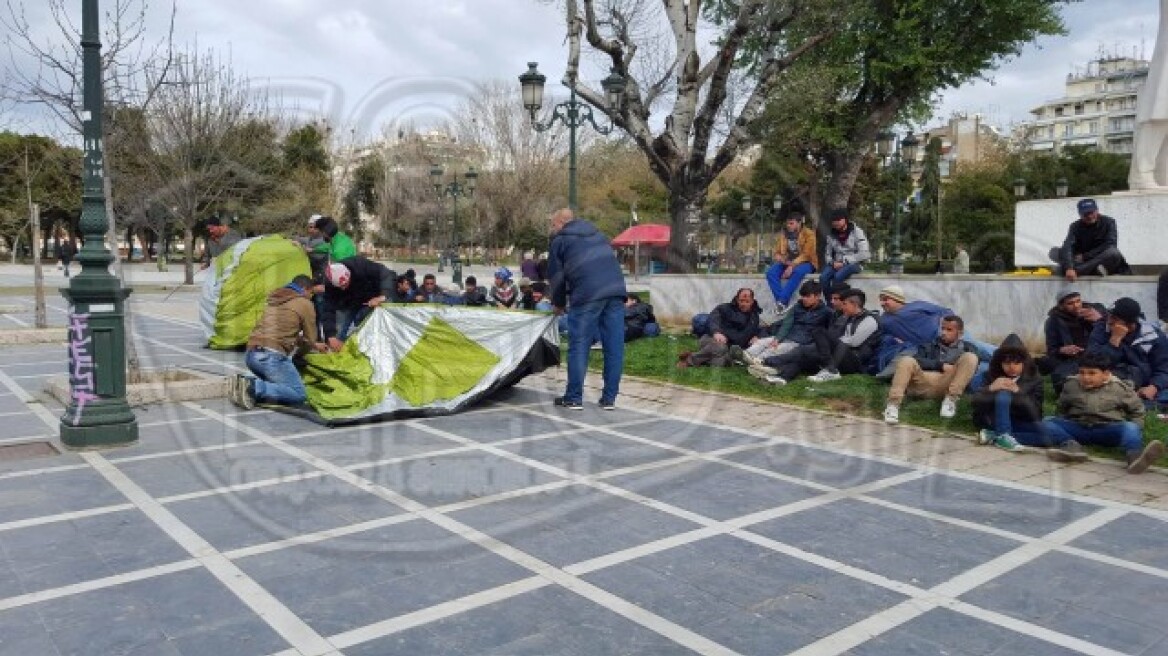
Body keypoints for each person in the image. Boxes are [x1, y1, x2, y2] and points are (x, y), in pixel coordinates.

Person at [547, 207, 627, 410]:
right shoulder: (598, 235)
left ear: (561, 223)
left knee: (579, 345)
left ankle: (574, 397)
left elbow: (556, 276)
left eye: (552, 224)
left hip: (587, 294)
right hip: (616, 291)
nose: (552, 228)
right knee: (614, 346)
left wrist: (558, 304)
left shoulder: (560, 240)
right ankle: (609, 399)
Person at [1042, 352, 1165, 473]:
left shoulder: (1120, 388)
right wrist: (1064, 423)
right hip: (1079, 427)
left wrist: (1135, 431)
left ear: (1105, 374)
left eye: (1092, 373)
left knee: (1130, 427)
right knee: (1047, 421)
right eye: (1082, 373)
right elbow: (1062, 406)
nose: (1086, 377)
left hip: (1107, 429)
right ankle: (1071, 447)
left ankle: (1134, 457)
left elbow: (1137, 411)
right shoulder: (1071, 385)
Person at [228, 274, 329, 410]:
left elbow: (282, 332)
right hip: (270, 357)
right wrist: (302, 355)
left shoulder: (277, 299)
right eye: (311, 293)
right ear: (305, 289)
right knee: (298, 393)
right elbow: (310, 339)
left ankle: (243, 381)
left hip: (251, 355)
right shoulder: (305, 303)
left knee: (277, 383)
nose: (311, 296)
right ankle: (252, 386)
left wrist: (313, 344)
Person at [883, 315, 980, 424]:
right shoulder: (929, 346)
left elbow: (972, 368)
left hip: (948, 382)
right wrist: (940, 365)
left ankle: (950, 400)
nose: (944, 332)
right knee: (906, 360)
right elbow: (918, 360)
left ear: (960, 333)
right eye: (942, 328)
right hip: (923, 381)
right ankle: (893, 406)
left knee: (971, 357)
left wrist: (955, 368)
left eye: (949, 330)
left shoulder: (968, 348)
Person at [1087, 297, 1168, 408]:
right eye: (1109, 316)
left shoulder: (1153, 336)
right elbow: (1093, 363)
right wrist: (1114, 340)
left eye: (1115, 318)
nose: (1109, 321)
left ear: (1130, 324)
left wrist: (1154, 387)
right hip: (1110, 381)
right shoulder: (1101, 330)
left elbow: (1163, 368)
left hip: (1144, 385)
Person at [969, 334, 1043, 452]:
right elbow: (974, 403)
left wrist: (1019, 392)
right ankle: (1003, 435)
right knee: (1003, 393)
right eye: (1007, 363)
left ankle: (994, 436)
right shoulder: (990, 375)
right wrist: (990, 388)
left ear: (1024, 363)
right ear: (1000, 363)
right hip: (992, 420)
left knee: (1053, 436)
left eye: (1016, 363)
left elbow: (1037, 413)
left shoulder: (1035, 379)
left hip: (1020, 421)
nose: (1012, 367)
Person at [739, 280, 830, 373]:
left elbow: (827, 333)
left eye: (807, 296)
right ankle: (744, 356)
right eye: (803, 296)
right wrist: (777, 339)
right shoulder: (797, 307)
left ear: (818, 296)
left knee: (774, 349)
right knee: (762, 343)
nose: (804, 299)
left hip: (800, 342)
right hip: (786, 335)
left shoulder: (826, 312)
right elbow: (787, 324)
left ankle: (757, 361)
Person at [1037, 288, 1106, 396]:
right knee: (1059, 376)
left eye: (1078, 301)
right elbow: (1052, 349)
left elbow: (1109, 333)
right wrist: (1062, 350)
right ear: (1061, 306)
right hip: (1070, 359)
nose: (1076, 306)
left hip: (1095, 354)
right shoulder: (1053, 321)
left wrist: (1100, 320)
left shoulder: (1094, 311)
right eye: (1070, 303)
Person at [320, 257, 397, 350]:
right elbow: (328, 309)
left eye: (345, 284)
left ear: (349, 275)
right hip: (352, 301)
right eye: (340, 287)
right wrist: (330, 335)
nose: (343, 288)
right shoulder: (330, 284)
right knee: (341, 333)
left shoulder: (360, 265)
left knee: (378, 325)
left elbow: (386, 275)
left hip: (377, 295)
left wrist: (383, 296)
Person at [679, 288, 763, 369]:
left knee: (721, 362)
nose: (743, 304)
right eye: (741, 301)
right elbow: (713, 319)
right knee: (720, 348)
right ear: (737, 299)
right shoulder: (724, 308)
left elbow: (758, 330)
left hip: (730, 349)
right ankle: (689, 361)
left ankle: (695, 355)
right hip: (711, 340)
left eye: (747, 301)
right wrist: (716, 332)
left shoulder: (754, 318)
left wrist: (756, 336)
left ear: (752, 301)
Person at [1050, 198, 1129, 280]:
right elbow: (1068, 246)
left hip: (1100, 259)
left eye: (1091, 212)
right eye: (1086, 214)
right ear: (1080, 215)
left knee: (1113, 253)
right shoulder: (1075, 226)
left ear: (1097, 211)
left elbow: (1110, 244)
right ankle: (1092, 270)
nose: (1090, 216)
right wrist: (1069, 267)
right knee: (1054, 252)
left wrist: (1085, 256)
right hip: (1083, 261)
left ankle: (1076, 271)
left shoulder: (1109, 222)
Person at [763, 210, 818, 315]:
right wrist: (780, 258)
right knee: (771, 272)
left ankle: (781, 302)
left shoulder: (809, 234)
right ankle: (782, 303)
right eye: (788, 223)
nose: (789, 226)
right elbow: (778, 252)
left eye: (791, 223)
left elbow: (807, 254)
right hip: (787, 262)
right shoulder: (784, 235)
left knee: (797, 272)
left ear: (799, 223)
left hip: (806, 262)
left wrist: (792, 266)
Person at [820, 208, 870, 296]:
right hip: (836, 263)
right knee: (823, 278)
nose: (836, 222)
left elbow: (864, 254)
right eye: (834, 220)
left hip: (855, 263)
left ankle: (840, 301)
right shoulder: (831, 235)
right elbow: (827, 253)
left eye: (839, 220)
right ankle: (830, 304)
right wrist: (832, 263)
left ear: (845, 219)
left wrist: (844, 262)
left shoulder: (857, 232)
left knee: (838, 276)